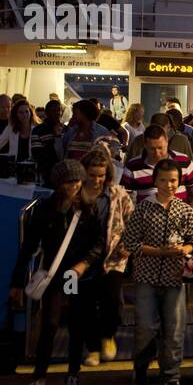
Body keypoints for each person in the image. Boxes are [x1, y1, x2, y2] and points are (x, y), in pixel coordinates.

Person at [8, 159, 103, 385]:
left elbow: (99, 243)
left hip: (79, 275)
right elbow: (28, 246)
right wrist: (17, 283)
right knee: (50, 324)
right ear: (58, 183)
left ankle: (72, 375)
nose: (74, 186)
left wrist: (84, 264)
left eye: (77, 181)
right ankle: (39, 379)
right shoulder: (45, 210)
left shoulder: (88, 209)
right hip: (54, 274)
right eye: (69, 181)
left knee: (76, 325)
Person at [121, 158, 193, 385]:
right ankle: (141, 368)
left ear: (179, 183)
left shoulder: (185, 210)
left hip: (175, 279)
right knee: (145, 327)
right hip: (146, 277)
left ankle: (171, 376)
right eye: (164, 180)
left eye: (173, 181)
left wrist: (186, 250)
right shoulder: (143, 209)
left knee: (175, 329)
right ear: (155, 181)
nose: (169, 185)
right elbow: (130, 243)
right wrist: (160, 252)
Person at [79, 146, 134, 367]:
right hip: (83, 259)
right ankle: (92, 348)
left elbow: (133, 219)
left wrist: (128, 245)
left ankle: (108, 336)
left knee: (111, 300)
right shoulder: (77, 194)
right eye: (92, 175)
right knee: (87, 304)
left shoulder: (117, 194)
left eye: (101, 176)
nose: (96, 180)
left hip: (113, 257)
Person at [121, 125, 193, 239]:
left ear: (167, 142)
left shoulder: (183, 161)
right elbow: (124, 200)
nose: (157, 153)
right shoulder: (132, 166)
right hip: (147, 228)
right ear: (145, 145)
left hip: (180, 224)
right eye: (152, 149)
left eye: (160, 148)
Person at [30, 100, 65, 183]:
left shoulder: (66, 129)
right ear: (46, 112)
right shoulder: (38, 130)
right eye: (53, 110)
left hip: (64, 173)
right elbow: (37, 154)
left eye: (59, 110)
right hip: (46, 174)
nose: (57, 113)